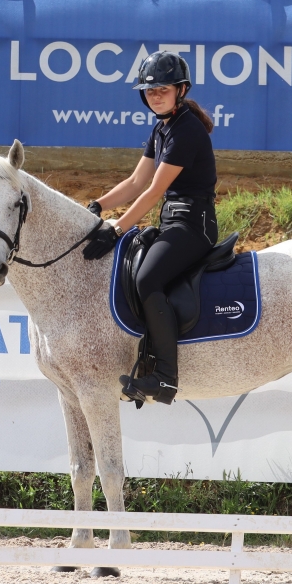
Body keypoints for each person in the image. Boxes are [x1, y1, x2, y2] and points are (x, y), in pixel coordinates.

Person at [82, 51, 218, 405]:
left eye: (163, 89)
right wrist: (97, 207)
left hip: (194, 226)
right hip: (173, 222)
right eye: (149, 90)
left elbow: (154, 191)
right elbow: (134, 180)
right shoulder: (162, 128)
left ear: (181, 90)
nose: (155, 95)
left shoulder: (186, 130)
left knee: (147, 278)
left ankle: (165, 379)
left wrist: (116, 229)